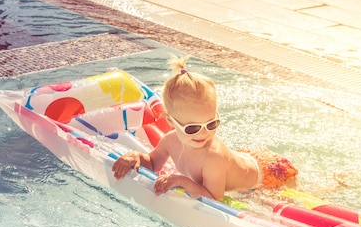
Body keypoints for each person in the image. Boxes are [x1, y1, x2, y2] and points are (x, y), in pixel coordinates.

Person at [111, 55, 298, 201]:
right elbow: (152, 163)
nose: (204, 133)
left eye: (211, 124)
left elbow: (215, 197)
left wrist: (183, 181)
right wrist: (135, 157)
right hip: (243, 161)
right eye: (192, 128)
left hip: (270, 175)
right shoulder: (169, 141)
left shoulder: (213, 158)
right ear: (170, 121)